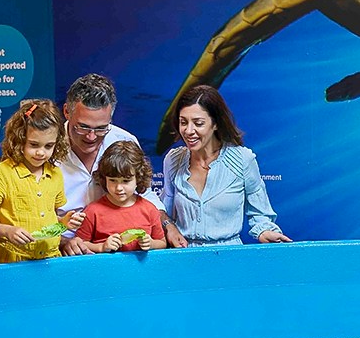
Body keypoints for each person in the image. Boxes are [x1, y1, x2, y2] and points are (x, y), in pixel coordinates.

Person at [162, 84, 291, 247]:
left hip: (229, 257)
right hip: (183, 256)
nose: (188, 130)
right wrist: (169, 227)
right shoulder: (173, 160)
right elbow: (163, 210)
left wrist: (264, 231)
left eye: (198, 123)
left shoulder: (243, 159)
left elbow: (261, 213)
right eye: (183, 122)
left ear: (215, 124)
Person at [56, 73, 171, 255]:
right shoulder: (46, 149)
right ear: (66, 112)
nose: (91, 136)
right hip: (63, 252)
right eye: (83, 126)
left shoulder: (124, 140)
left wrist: (166, 224)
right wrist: (62, 241)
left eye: (101, 128)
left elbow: (145, 193)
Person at [0, 99, 86, 264]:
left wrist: (63, 222)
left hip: (51, 259)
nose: (41, 152)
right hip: (14, 261)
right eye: (34, 145)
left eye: (48, 146)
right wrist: (7, 231)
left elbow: (48, 219)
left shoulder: (55, 173)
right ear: (20, 139)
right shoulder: (2, 173)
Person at [78, 141, 167, 253]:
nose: (119, 188)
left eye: (126, 181)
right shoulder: (93, 211)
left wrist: (151, 244)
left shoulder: (149, 209)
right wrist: (101, 247)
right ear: (104, 178)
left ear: (138, 178)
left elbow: (162, 242)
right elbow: (80, 244)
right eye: (112, 180)